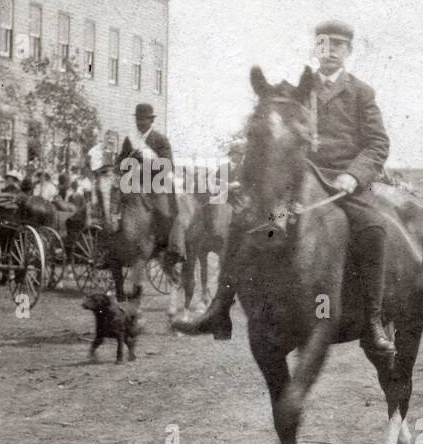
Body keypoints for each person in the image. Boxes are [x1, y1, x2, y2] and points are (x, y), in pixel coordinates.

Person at [176, 19, 394, 352]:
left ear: (349, 51)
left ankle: (374, 321)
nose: (330, 50)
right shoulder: (298, 91)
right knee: (248, 225)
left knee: (373, 229)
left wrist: (354, 174)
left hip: (343, 183)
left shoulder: (361, 92)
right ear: (315, 48)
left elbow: (377, 143)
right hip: (299, 181)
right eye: (324, 43)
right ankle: (219, 307)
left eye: (338, 45)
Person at [118, 103, 183, 267]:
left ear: (150, 120)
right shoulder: (130, 139)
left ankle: (164, 248)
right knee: (116, 210)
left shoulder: (160, 140)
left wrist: (145, 161)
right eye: (138, 119)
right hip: (133, 184)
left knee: (164, 214)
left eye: (143, 119)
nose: (139, 123)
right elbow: (120, 161)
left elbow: (167, 165)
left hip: (155, 185)